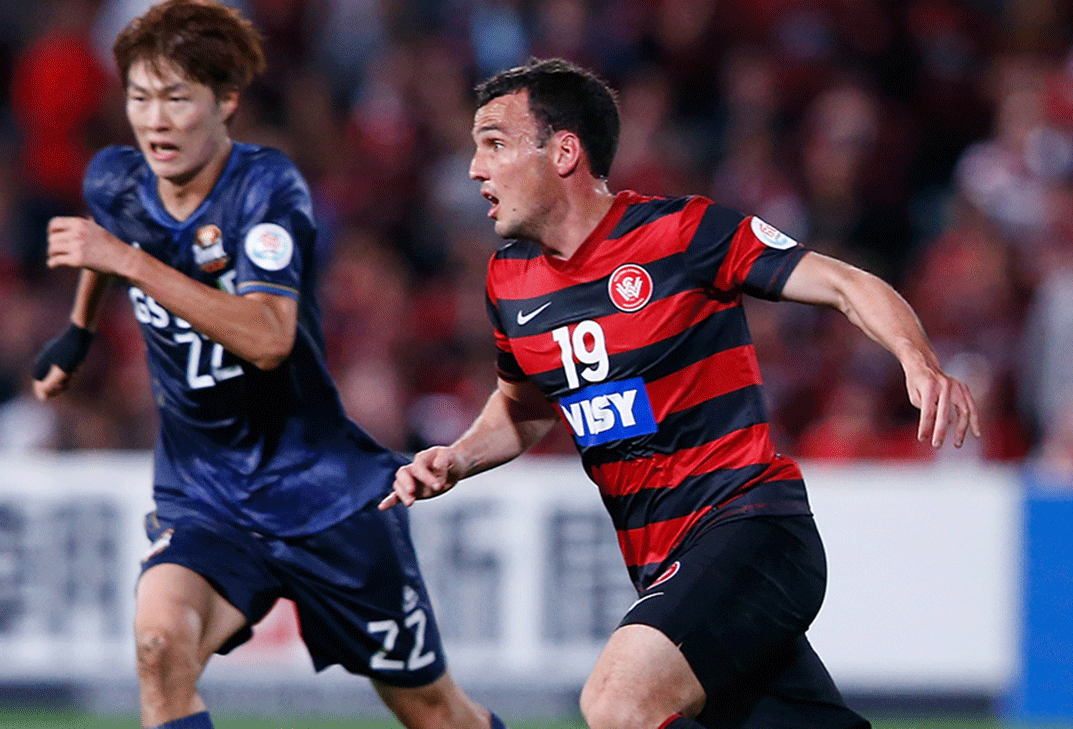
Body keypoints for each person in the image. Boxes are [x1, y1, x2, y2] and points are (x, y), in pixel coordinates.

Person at [382, 58, 981, 729]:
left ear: (565, 152)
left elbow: (845, 283)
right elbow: (523, 408)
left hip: (751, 530)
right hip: (664, 563)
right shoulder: (509, 281)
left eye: (494, 143)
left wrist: (917, 357)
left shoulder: (682, 234)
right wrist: (457, 457)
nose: (474, 169)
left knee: (616, 701)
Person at [31, 3, 505, 728]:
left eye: (177, 98)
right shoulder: (116, 180)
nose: (155, 119)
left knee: (435, 713)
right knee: (160, 644)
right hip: (207, 495)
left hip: (325, 499)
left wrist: (124, 262)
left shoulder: (266, 190)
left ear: (225, 102)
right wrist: (78, 333)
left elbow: (268, 337)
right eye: (139, 96)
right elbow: (108, 239)